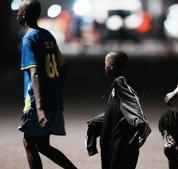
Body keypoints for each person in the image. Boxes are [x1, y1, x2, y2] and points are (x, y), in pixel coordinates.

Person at [16, 0, 77, 169]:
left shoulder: (28, 39)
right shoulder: (47, 35)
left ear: (25, 15)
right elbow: (64, 68)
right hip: (53, 98)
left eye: (19, 11)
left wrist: (40, 109)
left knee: (29, 142)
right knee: (42, 145)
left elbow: (34, 74)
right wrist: (55, 90)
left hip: (38, 101)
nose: (17, 14)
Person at [92, 51, 151, 169]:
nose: (105, 67)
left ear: (111, 66)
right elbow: (118, 110)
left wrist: (141, 121)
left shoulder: (121, 82)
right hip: (112, 139)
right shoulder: (116, 84)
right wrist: (95, 123)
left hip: (119, 141)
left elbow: (133, 100)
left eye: (106, 64)